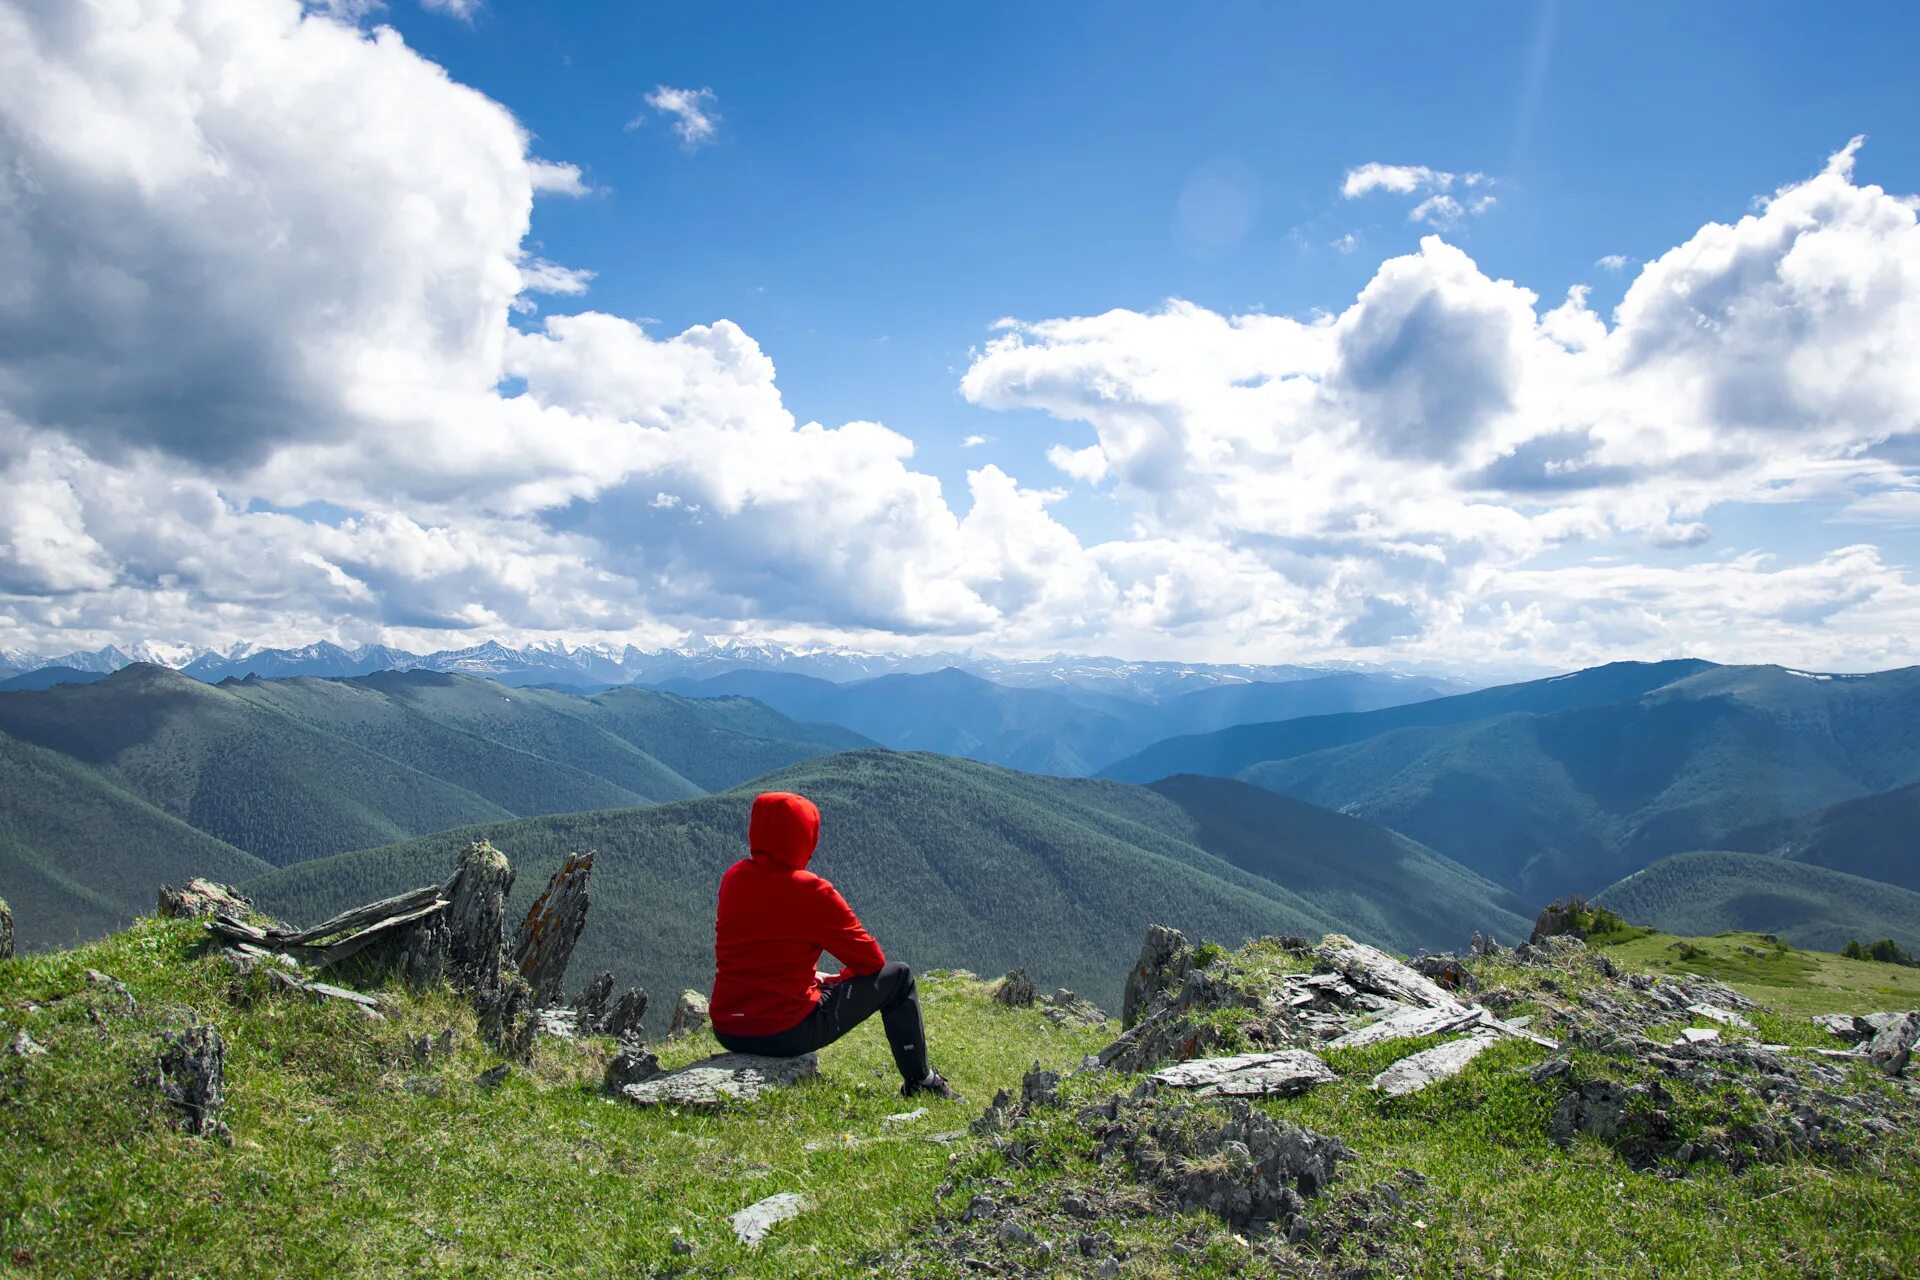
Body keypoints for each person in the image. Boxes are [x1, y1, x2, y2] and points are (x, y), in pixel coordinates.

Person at [709, 790, 960, 1100]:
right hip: (785, 1031)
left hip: (727, 1028)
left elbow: (760, 951)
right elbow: (871, 962)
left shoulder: (733, 878)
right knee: (899, 978)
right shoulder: (813, 891)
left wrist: (811, 978)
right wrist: (839, 977)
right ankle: (921, 1080)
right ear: (805, 835)